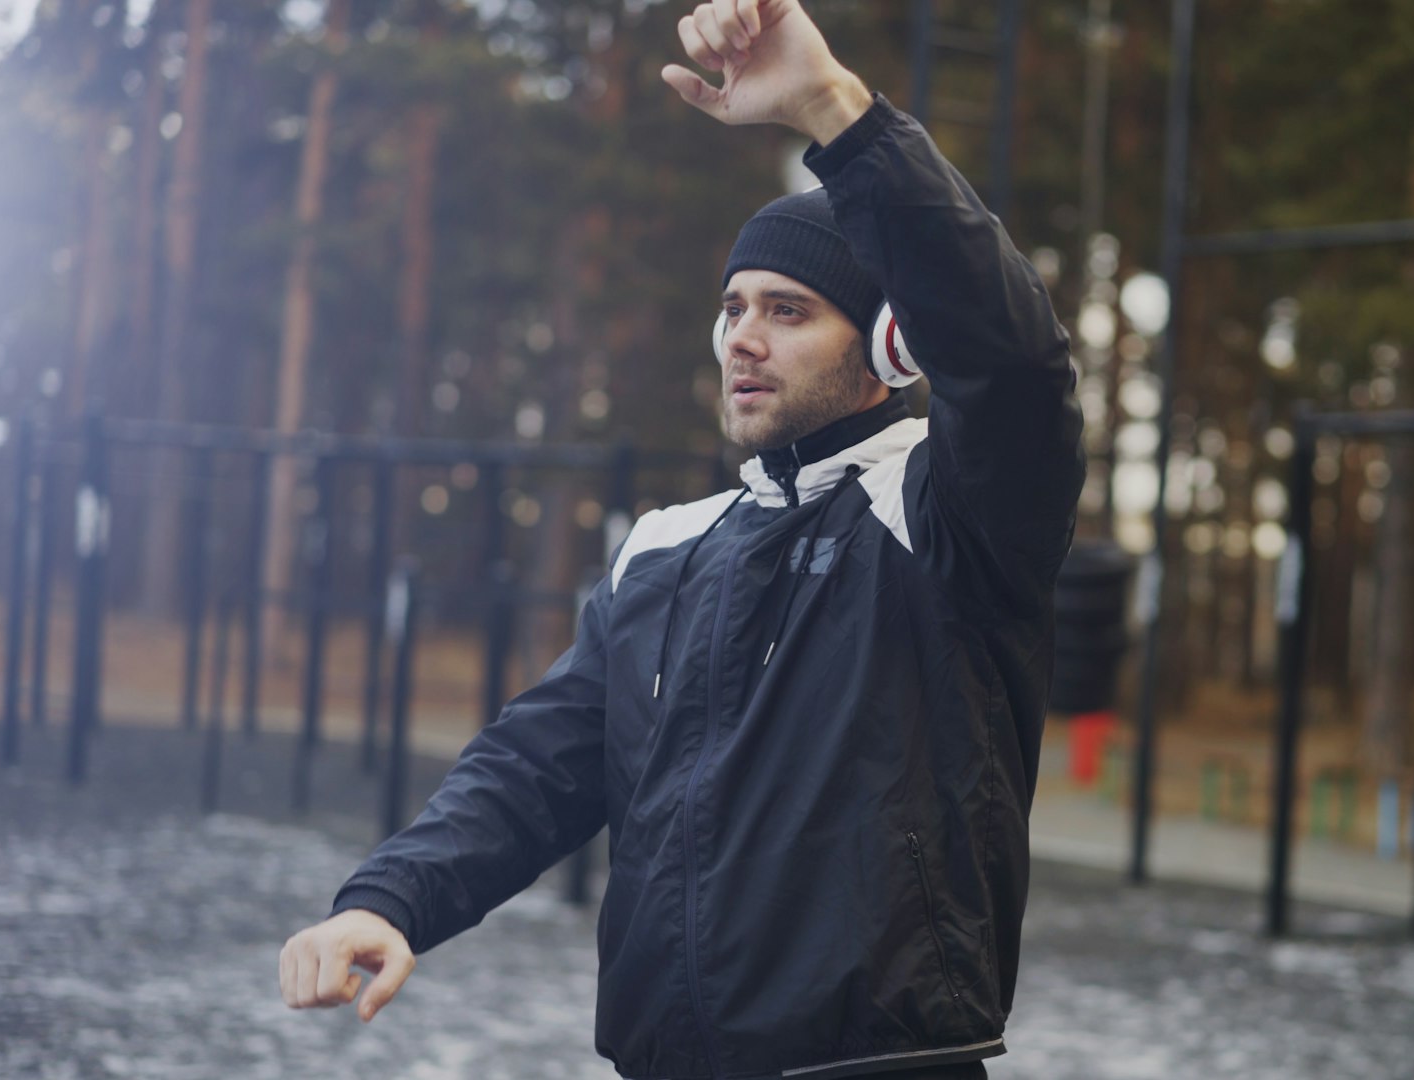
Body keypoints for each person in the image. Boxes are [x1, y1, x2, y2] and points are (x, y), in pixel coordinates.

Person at [277, 2, 1082, 1077]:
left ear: (891, 346)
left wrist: (832, 110)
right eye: (735, 307)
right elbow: (535, 768)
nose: (744, 336)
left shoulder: (946, 517)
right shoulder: (668, 546)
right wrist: (392, 899)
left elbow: (1017, 367)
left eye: (791, 311)